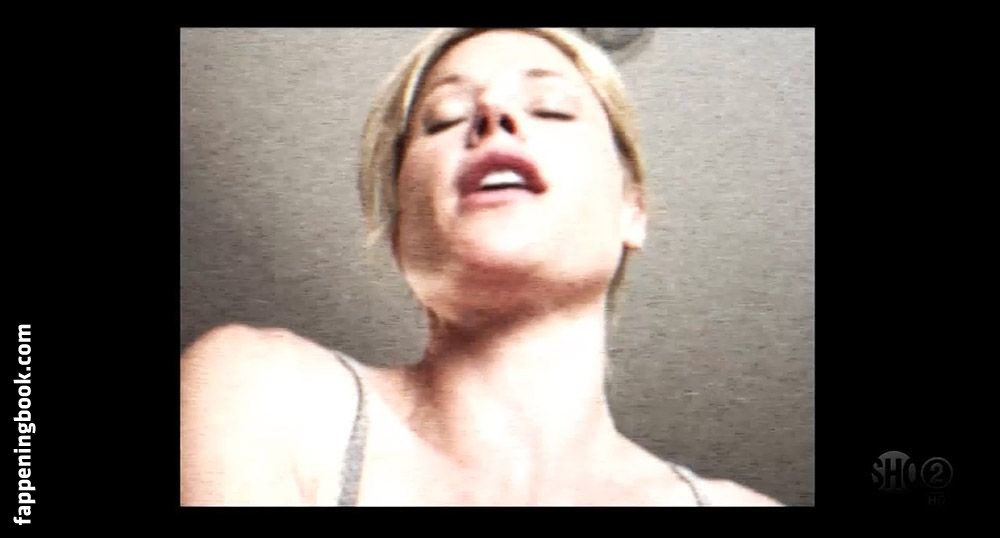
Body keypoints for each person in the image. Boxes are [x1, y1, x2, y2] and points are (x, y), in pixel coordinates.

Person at [180, 27, 783, 506]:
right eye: (443, 118)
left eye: (552, 109)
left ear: (633, 210)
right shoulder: (268, 398)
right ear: (400, 232)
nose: (492, 110)